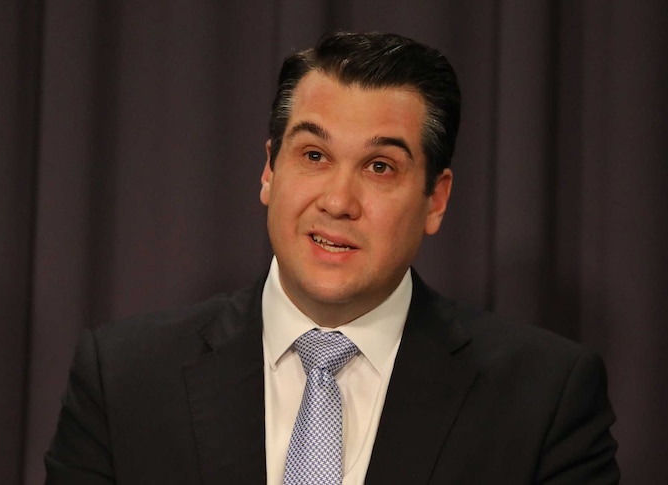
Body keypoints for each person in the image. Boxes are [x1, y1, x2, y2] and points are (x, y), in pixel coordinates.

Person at [45, 31, 619, 484]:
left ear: (436, 199)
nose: (338, 201)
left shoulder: (543, 398)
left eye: (380, 167)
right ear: (270, 170)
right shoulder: (124, 381)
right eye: (314, 154)